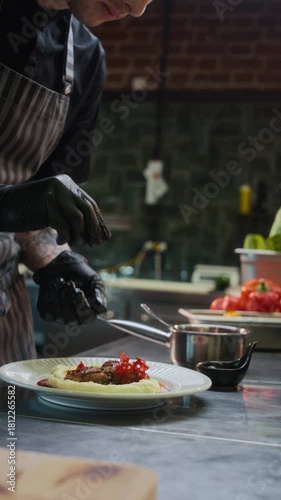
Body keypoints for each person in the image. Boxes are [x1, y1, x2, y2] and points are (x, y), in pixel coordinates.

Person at [0, 0, 152, 365]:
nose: (138, 8)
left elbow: (37, 198)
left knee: (16, 423)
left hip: (6, 322)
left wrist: (53, 260)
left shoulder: (85, 57)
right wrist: (9, 205)